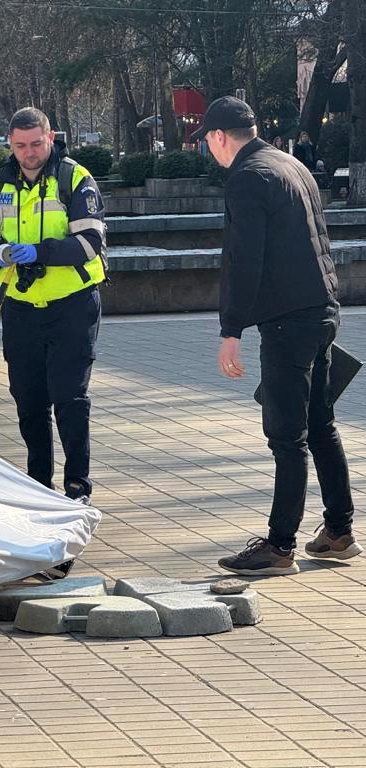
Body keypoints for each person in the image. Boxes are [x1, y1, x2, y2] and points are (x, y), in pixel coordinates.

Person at [190, 96, 359, 576]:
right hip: (322, 310)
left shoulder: (247, 177)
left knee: (287, 436)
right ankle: (339, 532)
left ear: (218, 137)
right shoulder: (291, 165)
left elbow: (244, 259)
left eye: (207, 141)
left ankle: (280, 547)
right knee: (320, 425)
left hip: (287, 321)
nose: (209, 150)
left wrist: (231, 331)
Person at [0, 107, 107, 504]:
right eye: (20, 146)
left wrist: (39, 252)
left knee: (69, 398)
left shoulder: (75, 178)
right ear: (10, 144)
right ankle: (38, 484)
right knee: (28, 401)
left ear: (50, 138)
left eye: (36, 144)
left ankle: (77, 485)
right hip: (21, 306)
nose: (29, 153)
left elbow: (89, 242)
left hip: (71, 304)